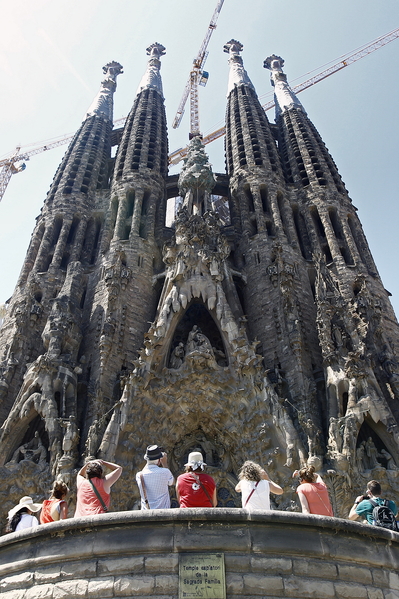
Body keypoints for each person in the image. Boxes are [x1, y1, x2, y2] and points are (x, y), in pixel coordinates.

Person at [136, 445, 174, 509]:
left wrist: (151, 458)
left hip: (146, 516)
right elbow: (172, 482)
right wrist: (164, 463)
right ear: (159, 460)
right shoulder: (165, 472)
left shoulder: (139, 475)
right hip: (163, 515)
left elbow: (145, 470)